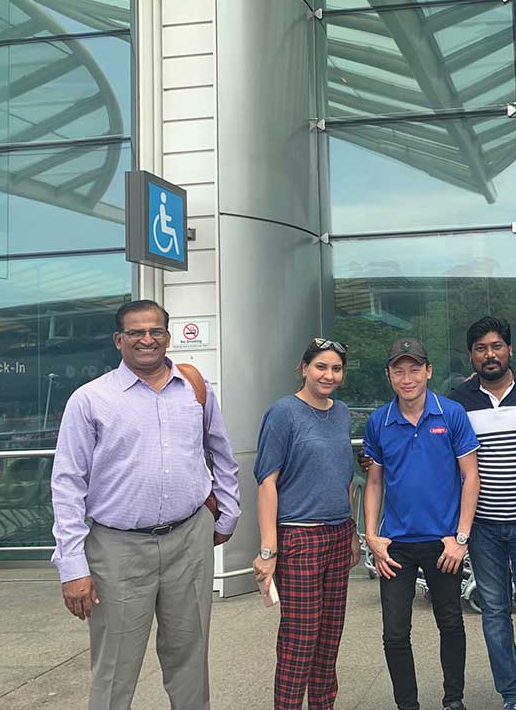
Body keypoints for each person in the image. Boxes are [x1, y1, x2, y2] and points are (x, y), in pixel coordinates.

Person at [50, 299, 240, 710]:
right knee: (115, 664)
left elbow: (221, 453)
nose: (147, 339)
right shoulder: (90, 399)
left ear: (168, 337)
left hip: (189, 538)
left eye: (155, 331)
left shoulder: (194, 389)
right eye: (136, 332)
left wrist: (228, 513)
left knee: (190, 655)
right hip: (118, 547)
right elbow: (67, 484)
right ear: (118, 340)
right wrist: (72, 566)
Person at [363, 337, 482, 710]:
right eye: (398, 370)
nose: (407, 378)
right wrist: (372, 537)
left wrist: (461, 537)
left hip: (444, 543)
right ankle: (407, 705)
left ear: (428, 371)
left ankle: (453, 700)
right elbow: (374, 482)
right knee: (395, 632)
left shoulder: (451, 414)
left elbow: (471, 476)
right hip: (395, 545)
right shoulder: (379, 421)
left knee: (451, 624)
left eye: (414, 369)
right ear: (389, 375)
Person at [448, 316, 516, 710]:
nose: (489, 355)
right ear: (471, 355)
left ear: (509, 349)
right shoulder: (458, 401)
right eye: (481, 349)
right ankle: (512, 693)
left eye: (496, 346)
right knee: (493, 612)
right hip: (482, 526)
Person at [252, 337, 362, 710]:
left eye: (336, 368)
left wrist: (352, 532)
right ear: (303, 368)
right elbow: (267, 482)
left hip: (338, 534)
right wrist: (268, 551)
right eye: (321, 366)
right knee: (299, 641)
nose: (328, 375)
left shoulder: (342, 412)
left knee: (329, 639)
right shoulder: (283, 412)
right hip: (300, 537)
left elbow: (343, 477)